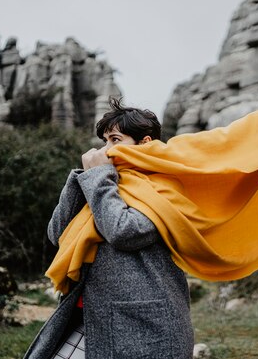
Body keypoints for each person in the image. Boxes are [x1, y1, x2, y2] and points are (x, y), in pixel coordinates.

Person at [24, 97, 194, 359]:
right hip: (88, 316)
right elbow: (57, 234)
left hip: (141, 327)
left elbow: (124, 231)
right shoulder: (107, 183)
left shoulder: (165, 188)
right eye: (105, 141)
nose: (105, 149)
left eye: (115, 139)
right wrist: (80, 179)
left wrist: (98, 178)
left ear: (145, 143)